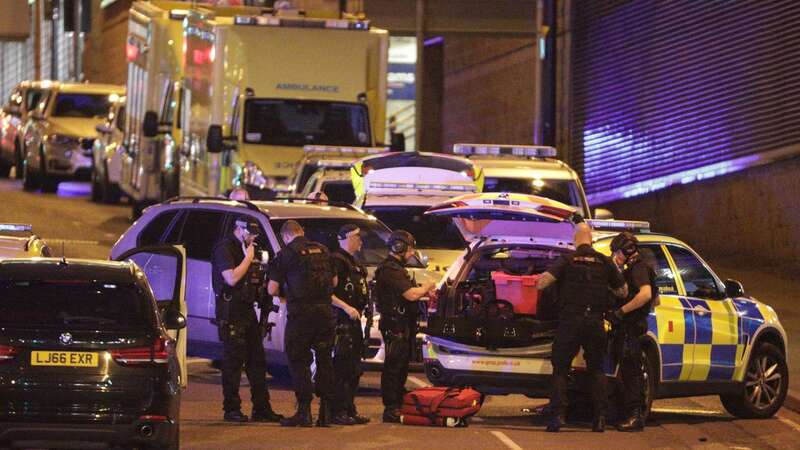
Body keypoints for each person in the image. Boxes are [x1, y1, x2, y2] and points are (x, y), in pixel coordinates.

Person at [537, 223, 627, 433]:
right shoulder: (604, 262)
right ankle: (599, 419)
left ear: (575, 239)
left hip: (570, 321)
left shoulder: (567, 260)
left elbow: (542, 283)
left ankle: (558, 416)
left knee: (560, 368)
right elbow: (622, 291)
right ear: (592, 238)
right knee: (597, 369)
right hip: (595, 322)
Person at [211, 215, 282, 423]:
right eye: (250, 234)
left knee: (257, 361)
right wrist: (248, 258)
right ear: (239, 230)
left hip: (247, 309)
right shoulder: (225, 248)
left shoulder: (249, 249)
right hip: (230, 309)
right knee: (233, 362)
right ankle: (231, 408)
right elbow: (231, 278)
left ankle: (262, 408)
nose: (252, 239)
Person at [267, 220, 337, 427]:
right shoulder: (323, 250)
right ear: (301, 232)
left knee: (299, 361)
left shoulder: (286, 254)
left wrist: (286, 294)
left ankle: (304, 412)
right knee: (324, 359)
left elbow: (272, 289)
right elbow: (334, 283)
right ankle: (326, 412)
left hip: (301, 315)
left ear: (286, 236)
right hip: (325, 313)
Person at [374, 230, 435, 423]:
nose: (411, 253)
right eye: (409, 249)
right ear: (398, 247)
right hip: (395, 325)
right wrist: (427, 287)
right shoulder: (390, 270)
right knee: (393, 367)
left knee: (400, 366)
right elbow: (410, 295)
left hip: (402, 324)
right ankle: (391, 407)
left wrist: (424, 294)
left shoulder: (397, 270)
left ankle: (398, 400)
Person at [608, 231, 656, 432]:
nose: (615, 257)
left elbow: (646, 295)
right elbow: (656, 300)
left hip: (630, 328)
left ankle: (635, 417)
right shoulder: (643, 268)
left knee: (631, 373)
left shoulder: (638, 269)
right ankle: (630, 414)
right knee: (631, 371)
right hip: (634, 326)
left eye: (617, 252)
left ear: (627, 251)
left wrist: (621, 311)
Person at [329, 224, 371, 425]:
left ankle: (349, 408)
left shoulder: (353, 262)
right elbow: (328, 292)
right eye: (357, 237)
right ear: (345, 238)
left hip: (354, 322)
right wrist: (346, 308)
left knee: (354, 369)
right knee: (342, 368)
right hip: (341, 322)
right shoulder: (336, 261)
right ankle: (337, 411)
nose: (360, 241)